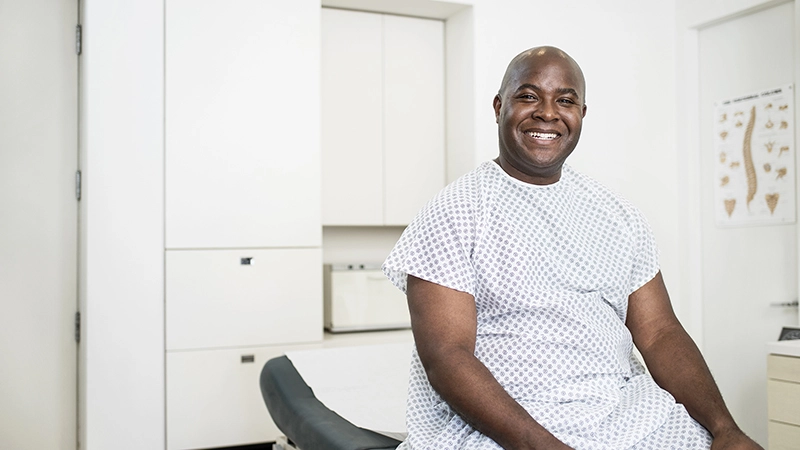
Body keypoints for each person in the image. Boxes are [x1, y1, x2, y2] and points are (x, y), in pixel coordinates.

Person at [382, 46, 762, 450]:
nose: (547, 113)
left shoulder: (618, 215)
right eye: (528, 96)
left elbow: (659, 333)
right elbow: (447, 354)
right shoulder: (456, 211)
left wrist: (725, 428)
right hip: (506, 427)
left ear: (582, 113)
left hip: (626, 417)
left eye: (565, 100)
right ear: (498, 107)